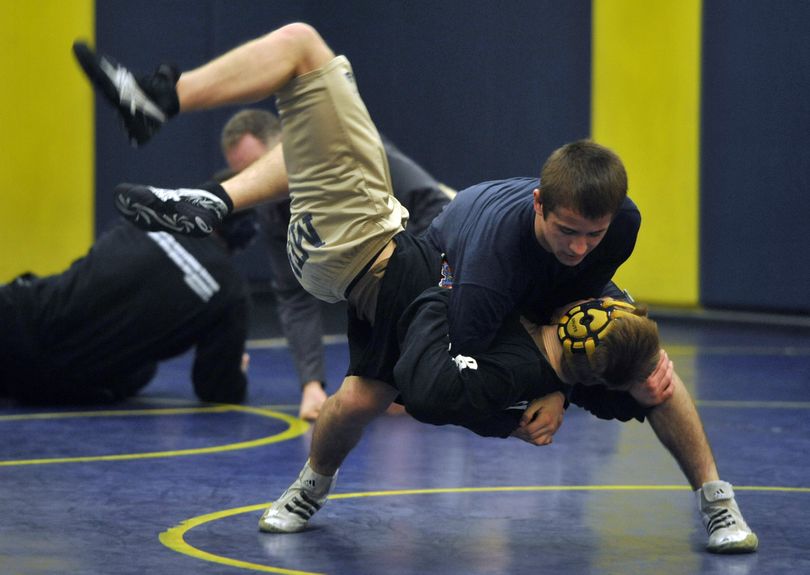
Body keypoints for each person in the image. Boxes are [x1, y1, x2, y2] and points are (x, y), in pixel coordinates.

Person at [72, 24, 757, 553]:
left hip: (405, 259)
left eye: (594, 234)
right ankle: (310, 478)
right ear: (540, 206)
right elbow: (453, 383)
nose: (583, 247)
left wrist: (609, 350)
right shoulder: (482, 268)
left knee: (652, 369)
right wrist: (549, 386)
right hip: (416, 267)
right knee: (368, 395)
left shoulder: (613, 229)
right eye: (569, 231)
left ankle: (717, 495)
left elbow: (571, 290)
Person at [220, 108, 453, 420]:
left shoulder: (349, 152)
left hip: (448, 228)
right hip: (383, 264)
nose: (259, 187)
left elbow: (436, 207)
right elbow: (294, 294)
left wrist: (405, 360)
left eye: (261, 170)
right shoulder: (272, 207)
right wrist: (311, 384)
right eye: (247, 177)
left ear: (285, 149)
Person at [0, 212, 257, 405]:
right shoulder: (230, 292)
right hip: (52, 384)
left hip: (16, 318)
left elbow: (88, 267)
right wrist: (234, 370)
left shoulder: (149, 216)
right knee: (140, 371)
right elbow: (215, 389)